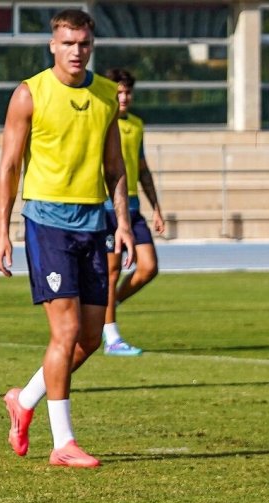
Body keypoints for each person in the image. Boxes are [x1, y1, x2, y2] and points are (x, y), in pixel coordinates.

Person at [0, 8, 132, 468]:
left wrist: (125, 224)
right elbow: (10, 166)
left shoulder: (106, 94)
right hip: (47, 223)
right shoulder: (29, 94)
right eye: (68, 43)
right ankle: (63, 443)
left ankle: (24, 398)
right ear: (53, 45)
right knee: (66, 330)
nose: (77, 51)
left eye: (84, 44)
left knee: (89, 339)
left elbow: (114, 167)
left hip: (94, 223)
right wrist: (2, 232)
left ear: (92, 45)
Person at [101, 67, 166, 356]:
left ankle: (106, 308)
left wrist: (156, 207)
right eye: (119, 91)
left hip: (133, 208)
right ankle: (112, 337)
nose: (124, 97)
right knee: (112, 272)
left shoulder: (136, 124)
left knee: (149, 267)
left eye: (128, 91)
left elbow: (141, 167)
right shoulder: (101, 122)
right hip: (107, 207)